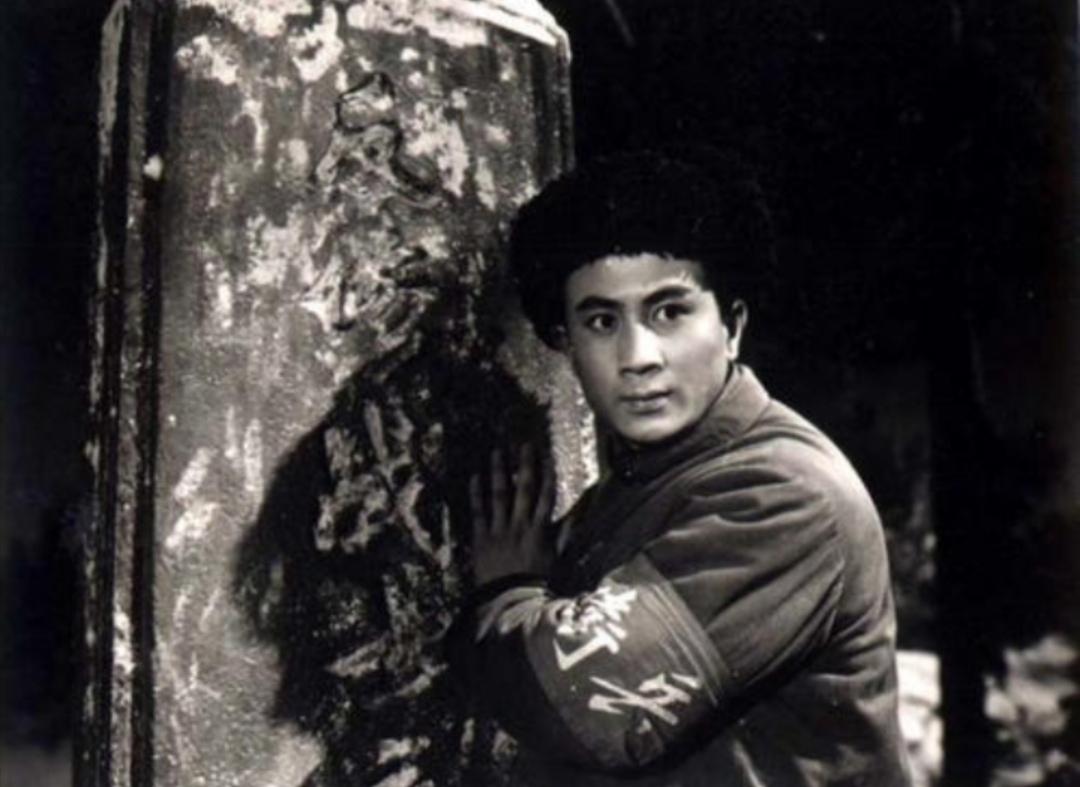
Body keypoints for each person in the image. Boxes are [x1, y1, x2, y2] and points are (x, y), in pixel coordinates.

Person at [448, 150, 912, 786]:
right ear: (568, 346)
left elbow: (584, 711)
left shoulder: (786, 492)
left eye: (669, 312)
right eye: (602, 321)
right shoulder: (648, 478)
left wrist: (507, 591)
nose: (638, 356)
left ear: (732, 326)